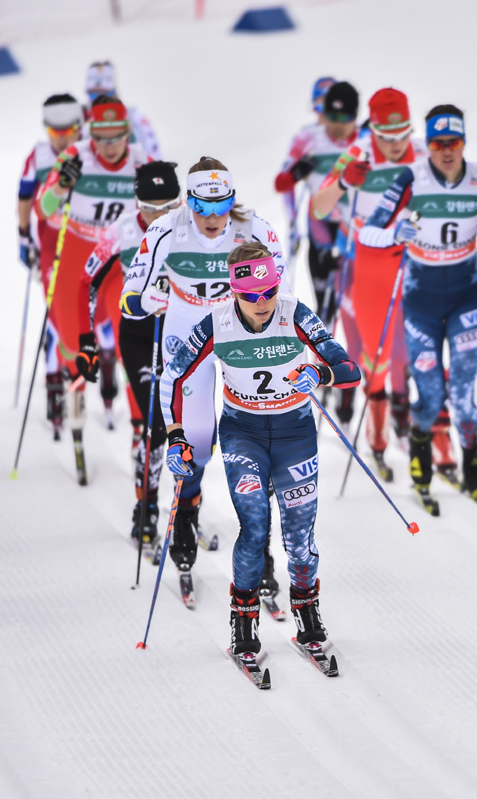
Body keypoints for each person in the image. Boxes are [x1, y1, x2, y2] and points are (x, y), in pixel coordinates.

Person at [160, 241, 361, 660]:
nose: (263, 301)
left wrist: (320, 371)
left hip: (295, 433)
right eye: (251, 295)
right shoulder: (215, 323)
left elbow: (349, 369)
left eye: (269, 290)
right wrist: (176, 434)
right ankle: (243, 621)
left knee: (299, 538)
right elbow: (173, 378)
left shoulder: (294, 312)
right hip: (243, 433)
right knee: (254, 526)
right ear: (234, 292)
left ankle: (307, 616)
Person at [122, 157, 286, 580]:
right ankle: (185, 510)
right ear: (188, 200)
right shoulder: (166, 228)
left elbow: (276, 292)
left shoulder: (255, 230)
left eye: (222, 205)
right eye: (202, 206)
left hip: (235, 330)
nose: (213, 218)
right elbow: (129, 298)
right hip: (185, 330)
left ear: (232, 199)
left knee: (254, 433)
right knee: (195, 438)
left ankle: (260, 544)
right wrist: (148, 301)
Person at [357, 103, 477, 505]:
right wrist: (396, 233)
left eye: (454, 142)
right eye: (437, 143)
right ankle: (419, 447)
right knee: (430, 396)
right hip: (421, 299)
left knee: (463, 396)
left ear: (464, 142)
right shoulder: (411, 178)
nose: (446, 150)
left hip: (467, 296)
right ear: (427, 145)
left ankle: (474, 465)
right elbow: (368, 233)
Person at [312, 87, 428, 474]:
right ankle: (377, 437)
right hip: (367, 262)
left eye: (403, 136)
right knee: (375, 355)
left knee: (411, 349)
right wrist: (343, 183)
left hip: (415, 260)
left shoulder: (424, 153)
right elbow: (319, 206)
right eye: (387, 137)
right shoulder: (358, 153)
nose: (396, 146)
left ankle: (408, 418)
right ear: (373, 129)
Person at [35, 95, 152, 442]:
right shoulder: (76, 156)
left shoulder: (141, 162)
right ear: (91, 135)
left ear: (127, 133)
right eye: (102, 138)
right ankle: (74, 402)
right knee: (73, 345)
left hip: (118, 262)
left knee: (130, 340)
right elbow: (43, 209)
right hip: (77, 259)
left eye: (117, 137)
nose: (110, 146)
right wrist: (60, 186)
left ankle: (139, 426)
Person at [76, 161, 181, 544]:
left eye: (169, 207)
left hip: (184, 338)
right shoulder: (120, 231)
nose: (159, 217)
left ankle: (187, 509)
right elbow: (87, 281)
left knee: (191, 430)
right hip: (138, 334)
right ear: (136, 202)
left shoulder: (192, 226)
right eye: (150, 209)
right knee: (153, 426)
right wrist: (87, 341)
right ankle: (147, 506)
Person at [18, 93, 84, 439]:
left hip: (85, 243)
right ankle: (55, 382)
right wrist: (23, 235)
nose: (60, 138)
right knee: (56, 315)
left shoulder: (89, 152)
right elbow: (25, 196)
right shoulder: (39, 155)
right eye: (53, 131)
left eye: (68, 130)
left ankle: (91, 367)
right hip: (51, 243)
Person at [275, 80, 360, 320]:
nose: (332, 121)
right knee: (326, 308)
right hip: (320, 232)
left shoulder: (362, 138)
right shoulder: (307, 139)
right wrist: (296, 173)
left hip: (353, 232)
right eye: (321, 109)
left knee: (355, 308)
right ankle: (326, 356)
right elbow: (282, 184)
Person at [83, 61, 161, 160]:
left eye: (106, 94)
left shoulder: (134, 116)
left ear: (114, 92)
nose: (100, 101)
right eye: (93, 94)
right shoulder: (79, 116)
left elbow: (154, 151)